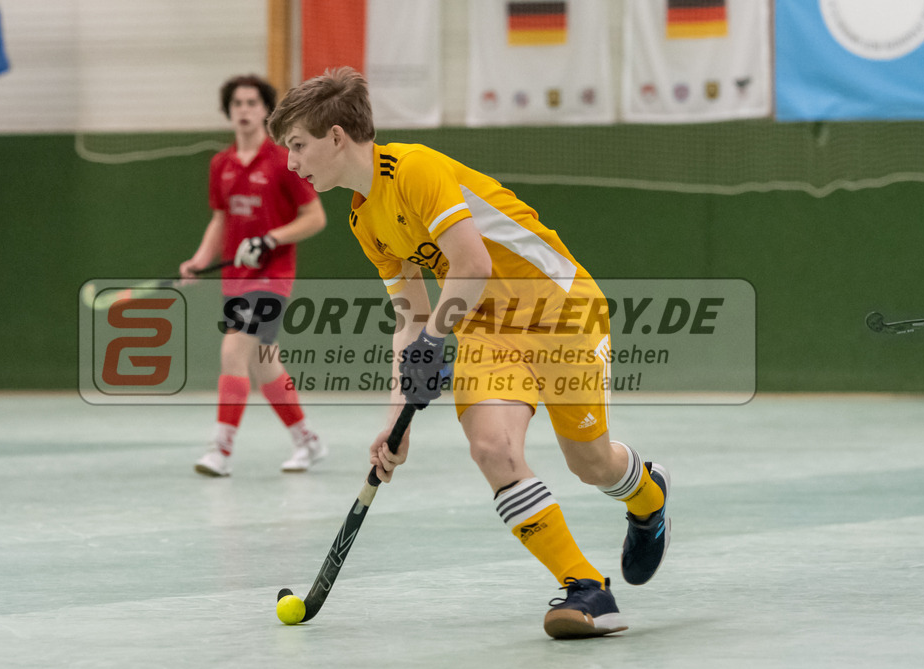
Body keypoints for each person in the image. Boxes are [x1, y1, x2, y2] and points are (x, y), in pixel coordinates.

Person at [266, 67, 671, 639]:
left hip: (561, 310)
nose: (291, 163)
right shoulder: (363, 217)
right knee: (491, 449)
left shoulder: (416, 170)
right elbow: (409, 317)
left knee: (592, 462)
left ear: (336, 137)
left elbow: (472, 264)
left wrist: (434, 339)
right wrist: (394, 423)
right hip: (484, 328)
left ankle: (648, 497)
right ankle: (586, 588)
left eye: (298, 146)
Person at [181, 74, 328, 477]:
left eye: (252, 103)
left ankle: (221, 449)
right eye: (237, 103)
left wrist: (270, 239)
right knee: (265, 362)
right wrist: (198, 259)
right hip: (235, 278)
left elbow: (315, 217)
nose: (244, 109)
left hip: (273, 275)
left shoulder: (283, 161)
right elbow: (220, 220)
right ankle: (307, 441)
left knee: (233, 351)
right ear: (229, 112)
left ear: (265, 111)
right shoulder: (221, 165)